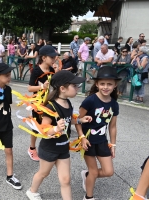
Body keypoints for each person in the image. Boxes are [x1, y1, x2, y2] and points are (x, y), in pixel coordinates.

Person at [26, 70, 90, 200]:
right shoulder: (51, 106)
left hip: (63, 147)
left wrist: (79, 120)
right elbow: (44, 129)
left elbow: (67, 120)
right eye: (74, 86)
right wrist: (55, 128)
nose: (77, 88)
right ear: (62, 88)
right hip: (49, 148)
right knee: (43, 173)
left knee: (66, 179)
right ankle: (32, 191)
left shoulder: (68, 103)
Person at [76, 66, 120, 200]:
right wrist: (82, 137)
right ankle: (88, 197)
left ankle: (87, 175)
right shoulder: (90, 101)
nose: (105, 87)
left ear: (115, 85)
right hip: (87, 141)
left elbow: (112, 127)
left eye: (109, 84)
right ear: (97, 84)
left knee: (109, 171)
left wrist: (113, 144)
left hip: (101, 141)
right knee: (94, 171)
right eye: (102, 84)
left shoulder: (114, 104)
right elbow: (78, 120)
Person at [27, 45, 57, 161]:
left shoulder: (51, 70)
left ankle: (48, 148)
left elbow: (54, 85)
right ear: (44, 58)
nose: (54, 59)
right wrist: (41, 86)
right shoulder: (36, 70)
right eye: (52, 57)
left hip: (49, 102)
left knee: (49, 124)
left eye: (55, 57)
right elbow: (29, 88)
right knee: (36, 126)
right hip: (37, 103)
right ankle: (32, 148)